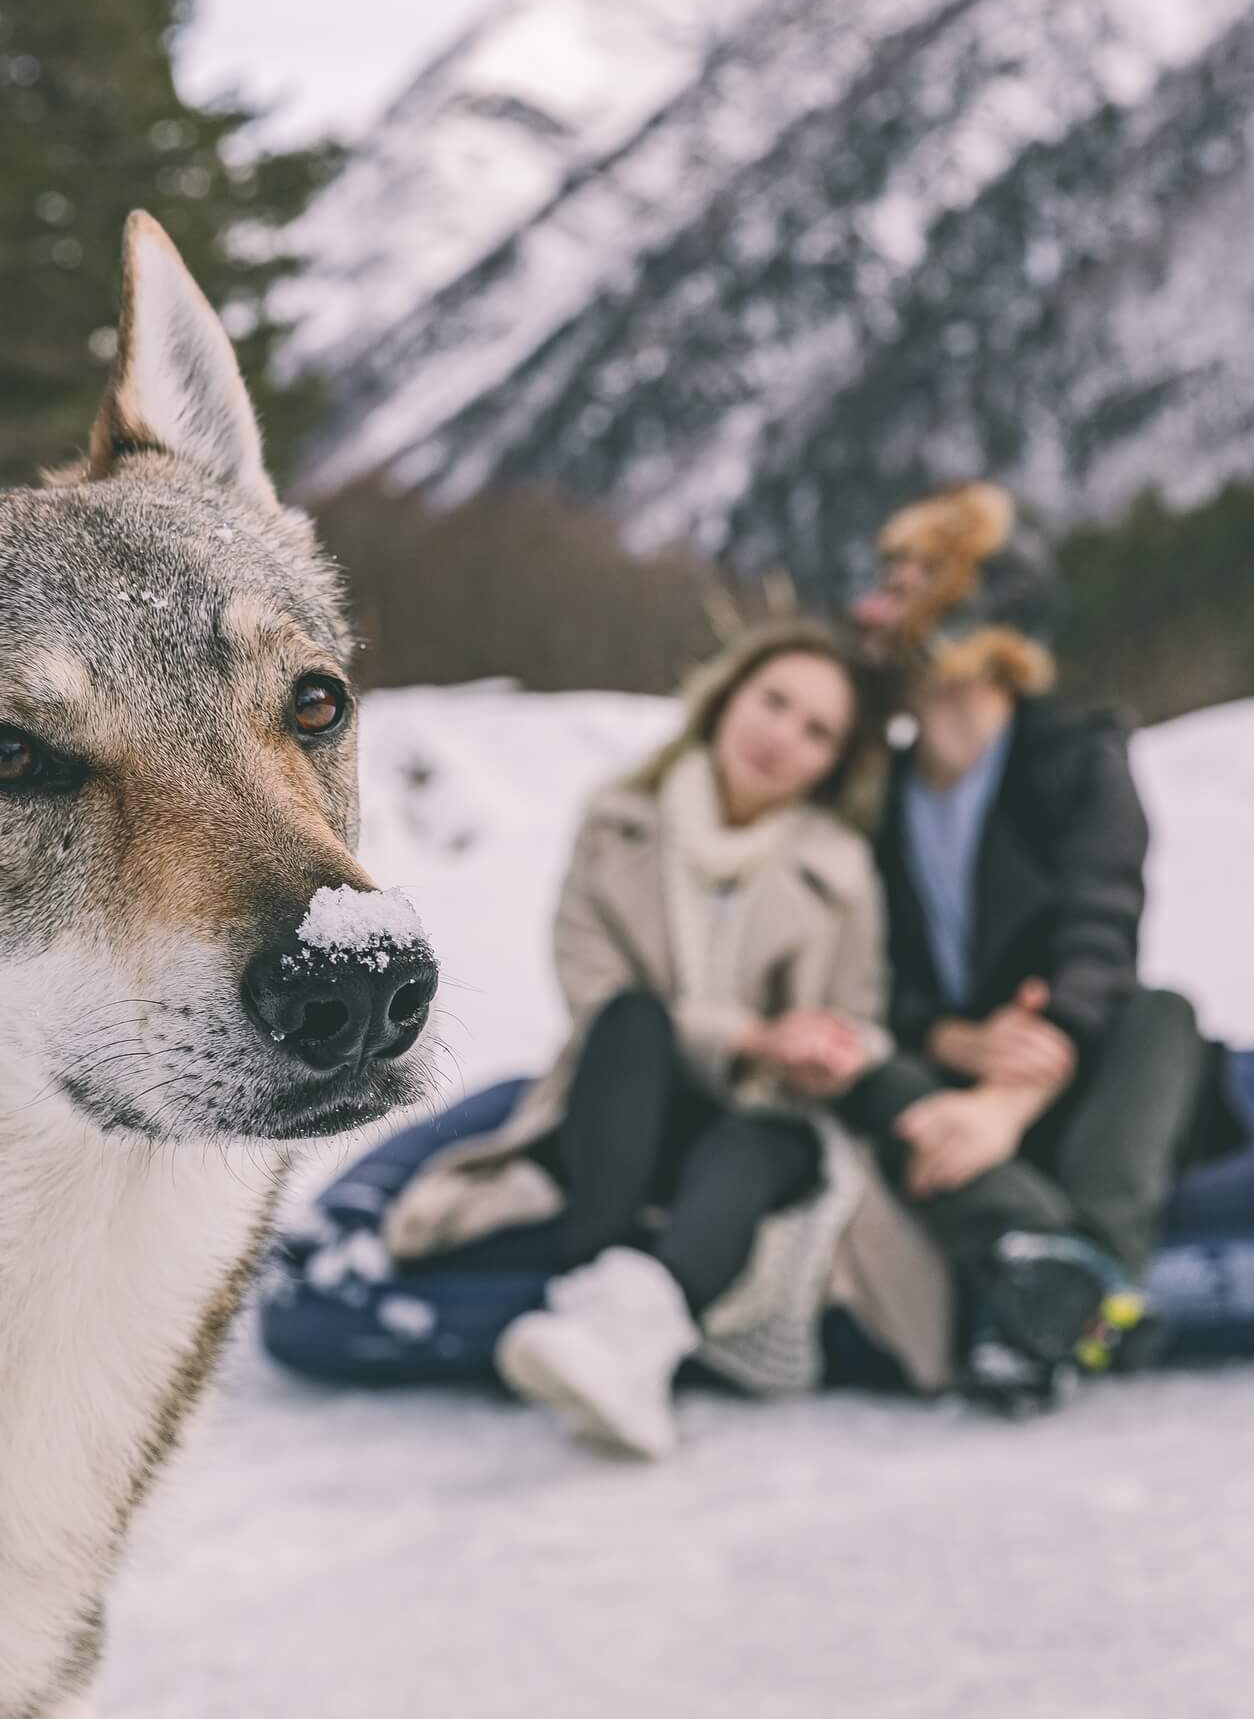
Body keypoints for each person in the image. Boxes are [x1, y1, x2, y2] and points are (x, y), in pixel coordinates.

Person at [379, 622, 956, 1458]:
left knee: (754, 1142)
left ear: (837, 761)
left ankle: (620, 1339)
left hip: (768, 1118)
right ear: (727, 699)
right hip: (631, 1097)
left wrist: (822, 1049)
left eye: (817, 730)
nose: (783, 736)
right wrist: (748, 1034)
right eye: (775, 702)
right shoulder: (618, 822)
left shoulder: (841, 867)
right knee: (633, 1020)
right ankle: (606, 1294)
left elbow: (858, 1018)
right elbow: (593, 988)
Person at [845, 482, 1226, 1407]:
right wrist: (948, 1041)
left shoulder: (1078, 757)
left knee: (1163, 1016)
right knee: (862, 1063)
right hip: (943, 1076)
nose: (876, 604)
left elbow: (1102, 935)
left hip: (1065, 1069)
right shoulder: (876, 793)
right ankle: (1076, 1277)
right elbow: (875, 973)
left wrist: (1011, 1100)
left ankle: (1050, 1273)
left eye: (911, 580)